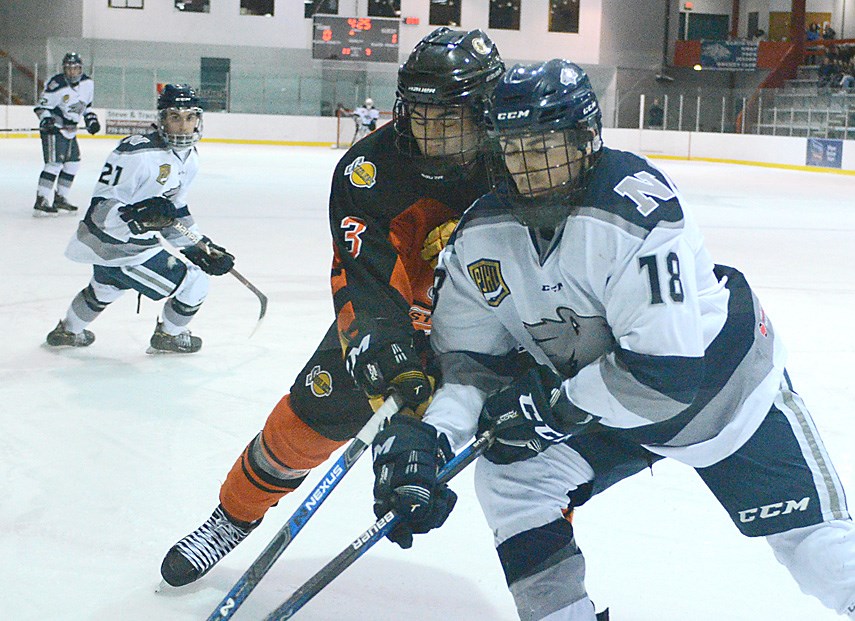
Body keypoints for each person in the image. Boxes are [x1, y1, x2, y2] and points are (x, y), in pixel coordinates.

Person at [370, 59, 855, 621]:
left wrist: (549, 408)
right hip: (598, 406)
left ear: (585, 140)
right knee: (513, 480)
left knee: (820, 553)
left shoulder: (632, 209)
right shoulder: (481, 235)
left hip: (723, 400)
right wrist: (433, 440)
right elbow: (472, 367)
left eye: (546, 145)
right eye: (514, 148)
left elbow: (665, 376)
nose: (530, 166)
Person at [158, 27, 507, 587]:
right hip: (402, 318)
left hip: (502, 329)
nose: (430, 132)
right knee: (305, 420)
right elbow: (363, 276)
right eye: (420, 115)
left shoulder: (525, 159)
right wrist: (386, 352)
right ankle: (231, 518)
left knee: (529, 459)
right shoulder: (372, 167)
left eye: (449, 118)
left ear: (488, 112)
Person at [44, 84, 235, 354]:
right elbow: (101, 208)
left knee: (105, 289)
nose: (183, 126)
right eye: (175, 117)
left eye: (190, 117)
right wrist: (138, 218)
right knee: (196, 282)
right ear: (162, 119)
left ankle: (68, 331)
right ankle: (170, 335)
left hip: (123, 249)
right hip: (121, 246)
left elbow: (175, 210)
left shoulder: (189, 157)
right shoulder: (135, 152)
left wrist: (199, 245)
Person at [32, 52, 100, 216]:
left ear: (80, 69)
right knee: (54, 164)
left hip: (71, 130)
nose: (72, 72)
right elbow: (41, 108)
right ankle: (41, 200)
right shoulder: (56, 84)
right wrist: (47, 121)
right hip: (55, 129)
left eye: (75, 68)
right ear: (64, 69)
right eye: (69, 69)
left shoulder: (88, 83)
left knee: (72, 164)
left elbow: (86, 107)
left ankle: (61, 197)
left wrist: (91, 120)